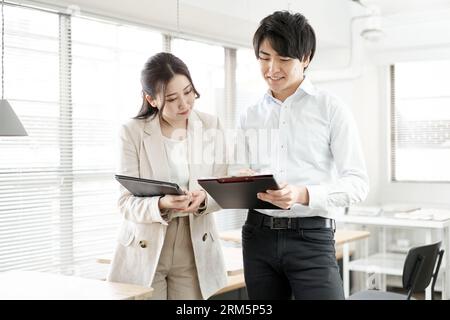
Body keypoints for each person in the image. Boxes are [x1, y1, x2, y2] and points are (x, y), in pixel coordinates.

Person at [232, 11, 369, 299]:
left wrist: (302, 193)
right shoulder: (249, 114)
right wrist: (239, 180)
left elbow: (357, 183)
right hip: (258, 237)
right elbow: (239, 171)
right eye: (264, 57)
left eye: (283, 59)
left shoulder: (331, 109)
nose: (272, 68)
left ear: (306, 58)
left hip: (312, 238)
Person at [107, 52, 227, 300]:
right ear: (151, 99)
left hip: (194, 243)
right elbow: (125, 202)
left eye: (188, 91)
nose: (184, 104)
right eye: (172, 98)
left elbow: (223, 187)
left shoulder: (210, 125)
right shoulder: (132, 132)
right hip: (146, 245)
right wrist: (161, 204)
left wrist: (203, 199)